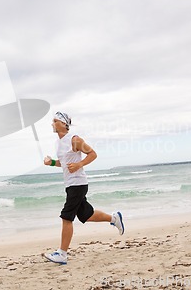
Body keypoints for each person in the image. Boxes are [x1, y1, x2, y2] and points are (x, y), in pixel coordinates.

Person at [43, 111, 124, 265]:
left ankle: (62, 254)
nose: (52, 123)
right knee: (87, 215)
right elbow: (64, 162)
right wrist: (51, 163)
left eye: (55, 121)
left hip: (78, 184)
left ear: (64, 124)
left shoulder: (74, 140)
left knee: (66, 217)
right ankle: (114, 218)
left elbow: (93, 154)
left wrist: (80, 164)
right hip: (70, 184)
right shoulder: (58, 143)